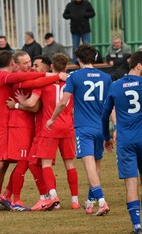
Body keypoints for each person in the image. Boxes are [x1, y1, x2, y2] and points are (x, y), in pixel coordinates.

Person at [0, 51, 48, 213]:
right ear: (13, 62)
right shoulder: (4, 76)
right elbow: (25, 79)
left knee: (4, 164)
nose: (27, 66)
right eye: (23, 62)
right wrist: (53, 75)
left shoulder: (6, 77)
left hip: (5, 126)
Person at [47, 45, 112, 216]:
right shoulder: (106, 77)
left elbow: (63, 102)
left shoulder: (75, 77)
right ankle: (90, 202)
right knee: (96, 166)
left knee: (89, 166)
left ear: (78, 59)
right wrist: (114, 128)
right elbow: (110, 106)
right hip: (100, 127)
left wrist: (52, 119)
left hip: (84, 128)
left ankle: (102, 201)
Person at [102, 51, 142, 234]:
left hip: (126, 141)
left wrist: (106, 136)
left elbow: (105, 114)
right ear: (139, 66)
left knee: (131, 184)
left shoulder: (115, 86)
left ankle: (137, 229)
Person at [15, 53, 80, 210]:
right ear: (65, 68)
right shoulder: (71, 82)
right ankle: (75, 201)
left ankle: (53, 197)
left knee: (46, 164)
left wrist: (20, 102)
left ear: (51, 67)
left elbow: (31, 103)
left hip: (50, 127)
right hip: (67, 127)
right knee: (70, 164)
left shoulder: (44, 83)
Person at [63, 0, 95, 64]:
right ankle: (75, 63)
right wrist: (71, 15)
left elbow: (93, 13)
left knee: (87, 47)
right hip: (75, 30)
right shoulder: (70, 5)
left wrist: (85, 14)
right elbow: (65, 15)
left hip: (85, 29)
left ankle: (88, 62)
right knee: (75, 48)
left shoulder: (87, 4)